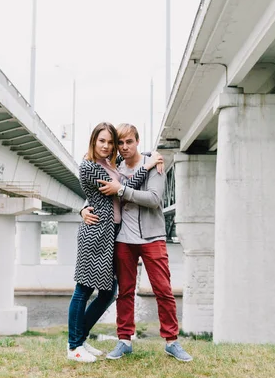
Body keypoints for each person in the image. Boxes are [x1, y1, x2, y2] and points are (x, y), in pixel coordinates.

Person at [81, 123, 193, 362]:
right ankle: (124, 341)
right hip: (123, 239)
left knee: (163, 290)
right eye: (119, 143)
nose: (123, 147)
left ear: (137, 141)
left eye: (128, 142)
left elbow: (154, 199)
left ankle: (172, 342)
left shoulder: (153, 164)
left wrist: (121, 190)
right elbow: (96, 193)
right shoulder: (115, 166)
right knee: (125, 292)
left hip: (152, 238)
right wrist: (83, 209)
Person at [68, 122, 163, 363]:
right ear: (93, 141)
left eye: (111, 142)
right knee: (83, 290)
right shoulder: (90, 167)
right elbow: (123, 188)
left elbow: (119, 184)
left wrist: (150, 156)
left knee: (108, 292)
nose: (108, 146)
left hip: (111, 235)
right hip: (95, 233)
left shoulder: (111, 164)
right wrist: (149, 166)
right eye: (103, 141)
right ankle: (73, 345)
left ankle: (80, 339)